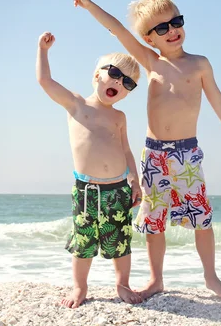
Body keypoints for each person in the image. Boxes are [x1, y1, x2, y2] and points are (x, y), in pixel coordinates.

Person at [64, 0, 221, 300]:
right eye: (162, 27)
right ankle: (156, 280)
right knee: (154, 222)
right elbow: (116, 30)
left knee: (201, 218)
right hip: (154, 155)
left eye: (177, 22)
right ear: (149, 38)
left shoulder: (199, 64)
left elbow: (218, 100)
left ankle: (211, 277)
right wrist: (88, 4)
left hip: (186, 154)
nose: (172, 31)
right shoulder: (152, 63)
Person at [36, 31, 143, 308]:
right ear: (98, 76)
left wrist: (135, 180)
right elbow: (45, 81)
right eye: (116, 74)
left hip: (118, 187)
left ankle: (122, 284)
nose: (119, 82)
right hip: (87, 189)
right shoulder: (76, 104)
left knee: (119, 240)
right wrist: (43, 50)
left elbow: (127, 150)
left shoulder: (119, 117)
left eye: (127, 82)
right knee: (83, 242)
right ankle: (79, 288)